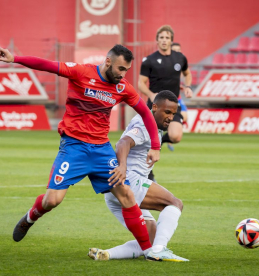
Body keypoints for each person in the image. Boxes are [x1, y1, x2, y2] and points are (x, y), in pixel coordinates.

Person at [0, 45, 161, 256]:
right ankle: (30, 218)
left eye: (126, 70)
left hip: (102, 150)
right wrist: (15, 58)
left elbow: (146, 113)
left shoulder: (122, 87)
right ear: (108, 62)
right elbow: (47, 65)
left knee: (127, 195)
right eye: (120, 68)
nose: (122, 74)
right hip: (74, 147)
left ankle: (149, 252)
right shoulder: (81, 73)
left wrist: (155, 146)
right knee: (52, 200)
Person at [88, 90, 188, 262]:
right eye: (167, 112)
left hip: (116, 191)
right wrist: (122, 167)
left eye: (173, 113)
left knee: (149, 240)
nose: (171, 117)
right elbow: (123, 143)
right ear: (154, 107)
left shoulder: (154, 125)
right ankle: (159, 251)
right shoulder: (143, 123)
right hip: (129, 181)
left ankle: (106, 254)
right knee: (174, 203)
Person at [138, 25, 192, 179]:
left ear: (171, 40)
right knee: (145, 143)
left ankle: (159, 141)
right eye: (161, 37)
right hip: (154, 106)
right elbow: (141, 83)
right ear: (157, 40)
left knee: (175, 136)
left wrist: (187, 87)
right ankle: (148, 173)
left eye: (167, 37)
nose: (164, 40)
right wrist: (150, 94)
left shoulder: (180, 58)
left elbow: (187, 74)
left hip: (173, 106)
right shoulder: (149, 60)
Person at [168, 42, 189, 151]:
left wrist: (185, 87)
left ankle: (169, 136)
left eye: (178, 50)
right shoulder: (166, 63)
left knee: (185, 116)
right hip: (167, 99)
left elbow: (186, 75)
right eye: (174, 50)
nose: (177, 52)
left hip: (178, 98)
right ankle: (168, 135)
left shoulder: (180, 63)